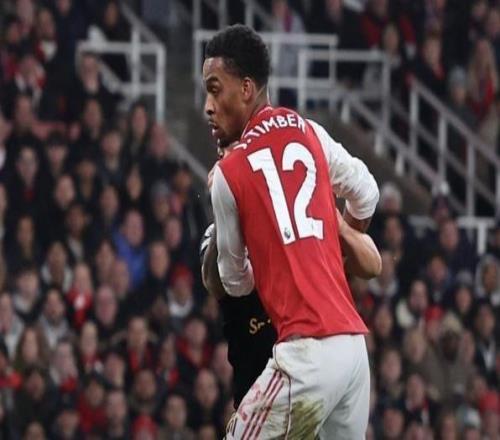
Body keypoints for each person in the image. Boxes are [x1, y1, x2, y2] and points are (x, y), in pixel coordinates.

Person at [203, 24, 380, 438]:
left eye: (215, 90)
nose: (208, 106)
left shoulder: (229, 174)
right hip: (353, 351)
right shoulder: (309, 131)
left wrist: (266, 245)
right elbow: (367, 194)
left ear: (246, 88)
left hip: (306, 356)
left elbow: (233, 281)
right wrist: (327, 248)